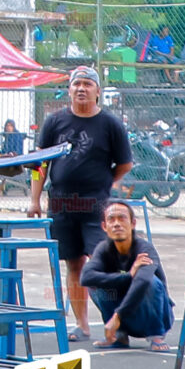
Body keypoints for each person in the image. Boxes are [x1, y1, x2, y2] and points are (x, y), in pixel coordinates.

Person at [28, 66, 132, 345]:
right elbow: (40, 164)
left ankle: (117, 325)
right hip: (61, 206)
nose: (81, 88)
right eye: (77, 84)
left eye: (87, 84)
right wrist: (34, 200)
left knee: (103, 265)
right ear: (69, 90)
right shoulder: (54, 122)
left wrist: (104, 183)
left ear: (98, 91)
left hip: (96, 207)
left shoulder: (110, 124)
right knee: (74, 265)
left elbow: (125, 164)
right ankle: (81, 325)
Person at [80, 199, 170, 349]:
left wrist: (118, 316)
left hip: (150, 316)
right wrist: (127, 276)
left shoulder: (145, 248)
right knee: (95, 285)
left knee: (150, 282)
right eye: (111, 219)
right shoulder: (103, 249)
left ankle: (156, 336)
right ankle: (119, 336)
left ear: (133, 223)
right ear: (104, 226)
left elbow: (142, 282)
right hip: (122, 319)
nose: (116, 224)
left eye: (122, 218)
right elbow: (86, 277)